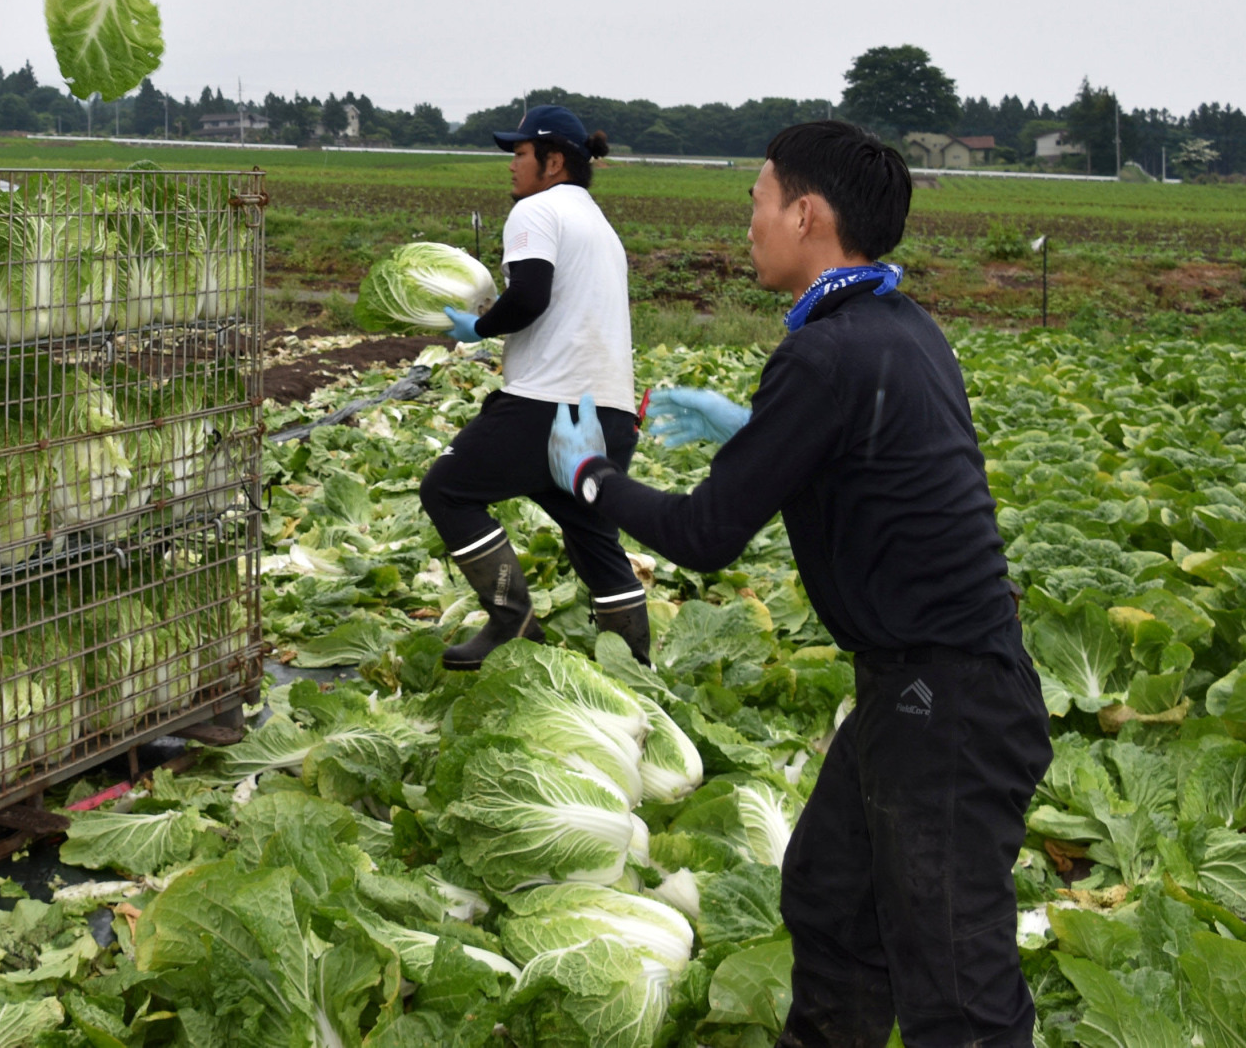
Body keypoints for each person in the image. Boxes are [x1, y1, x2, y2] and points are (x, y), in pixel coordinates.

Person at [548, 121, 1053, 1047]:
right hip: (927, 686)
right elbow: (871, 451)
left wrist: (592, 479)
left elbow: (705, 536)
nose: (751, 222)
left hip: (948, 701)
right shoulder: (898, 326)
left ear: (806, 212)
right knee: (830, 894)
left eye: (759, 201)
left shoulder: (827, 352)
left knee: (955, 981)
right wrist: (747, 425)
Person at [418, 104, 651, 671]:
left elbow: (529, 296)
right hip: (611, 410)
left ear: (553, 160)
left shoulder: (538, 210)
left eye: (520, 154)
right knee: (592, 532)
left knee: (447, 490)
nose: (512, 166)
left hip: (548, 404)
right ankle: (635, 665)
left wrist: (480, 327)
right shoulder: (598, 222)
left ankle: (511, 622)